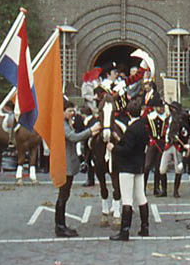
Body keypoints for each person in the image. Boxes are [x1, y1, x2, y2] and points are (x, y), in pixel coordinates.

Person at [57, 102, 101, 237]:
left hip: (67, 162)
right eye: (70, 111)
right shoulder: (62, 124)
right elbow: (73, 137)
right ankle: (60, 226)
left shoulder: (66, 122)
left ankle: (61, 224)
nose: (73, 113)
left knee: (65, 195)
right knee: (63, 195)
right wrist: (91, 131)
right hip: (65, 163)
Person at [109, 99, 150, 241]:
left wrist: (113, 148)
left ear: (128, 113)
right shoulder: (143, 126)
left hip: (127, 166)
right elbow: (132, 144)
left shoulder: (132, 129)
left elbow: (127, 149)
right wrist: (119, 139)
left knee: (127, 199)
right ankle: (145, 227)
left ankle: (124, 231)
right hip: (139, 165)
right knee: (141, 196)